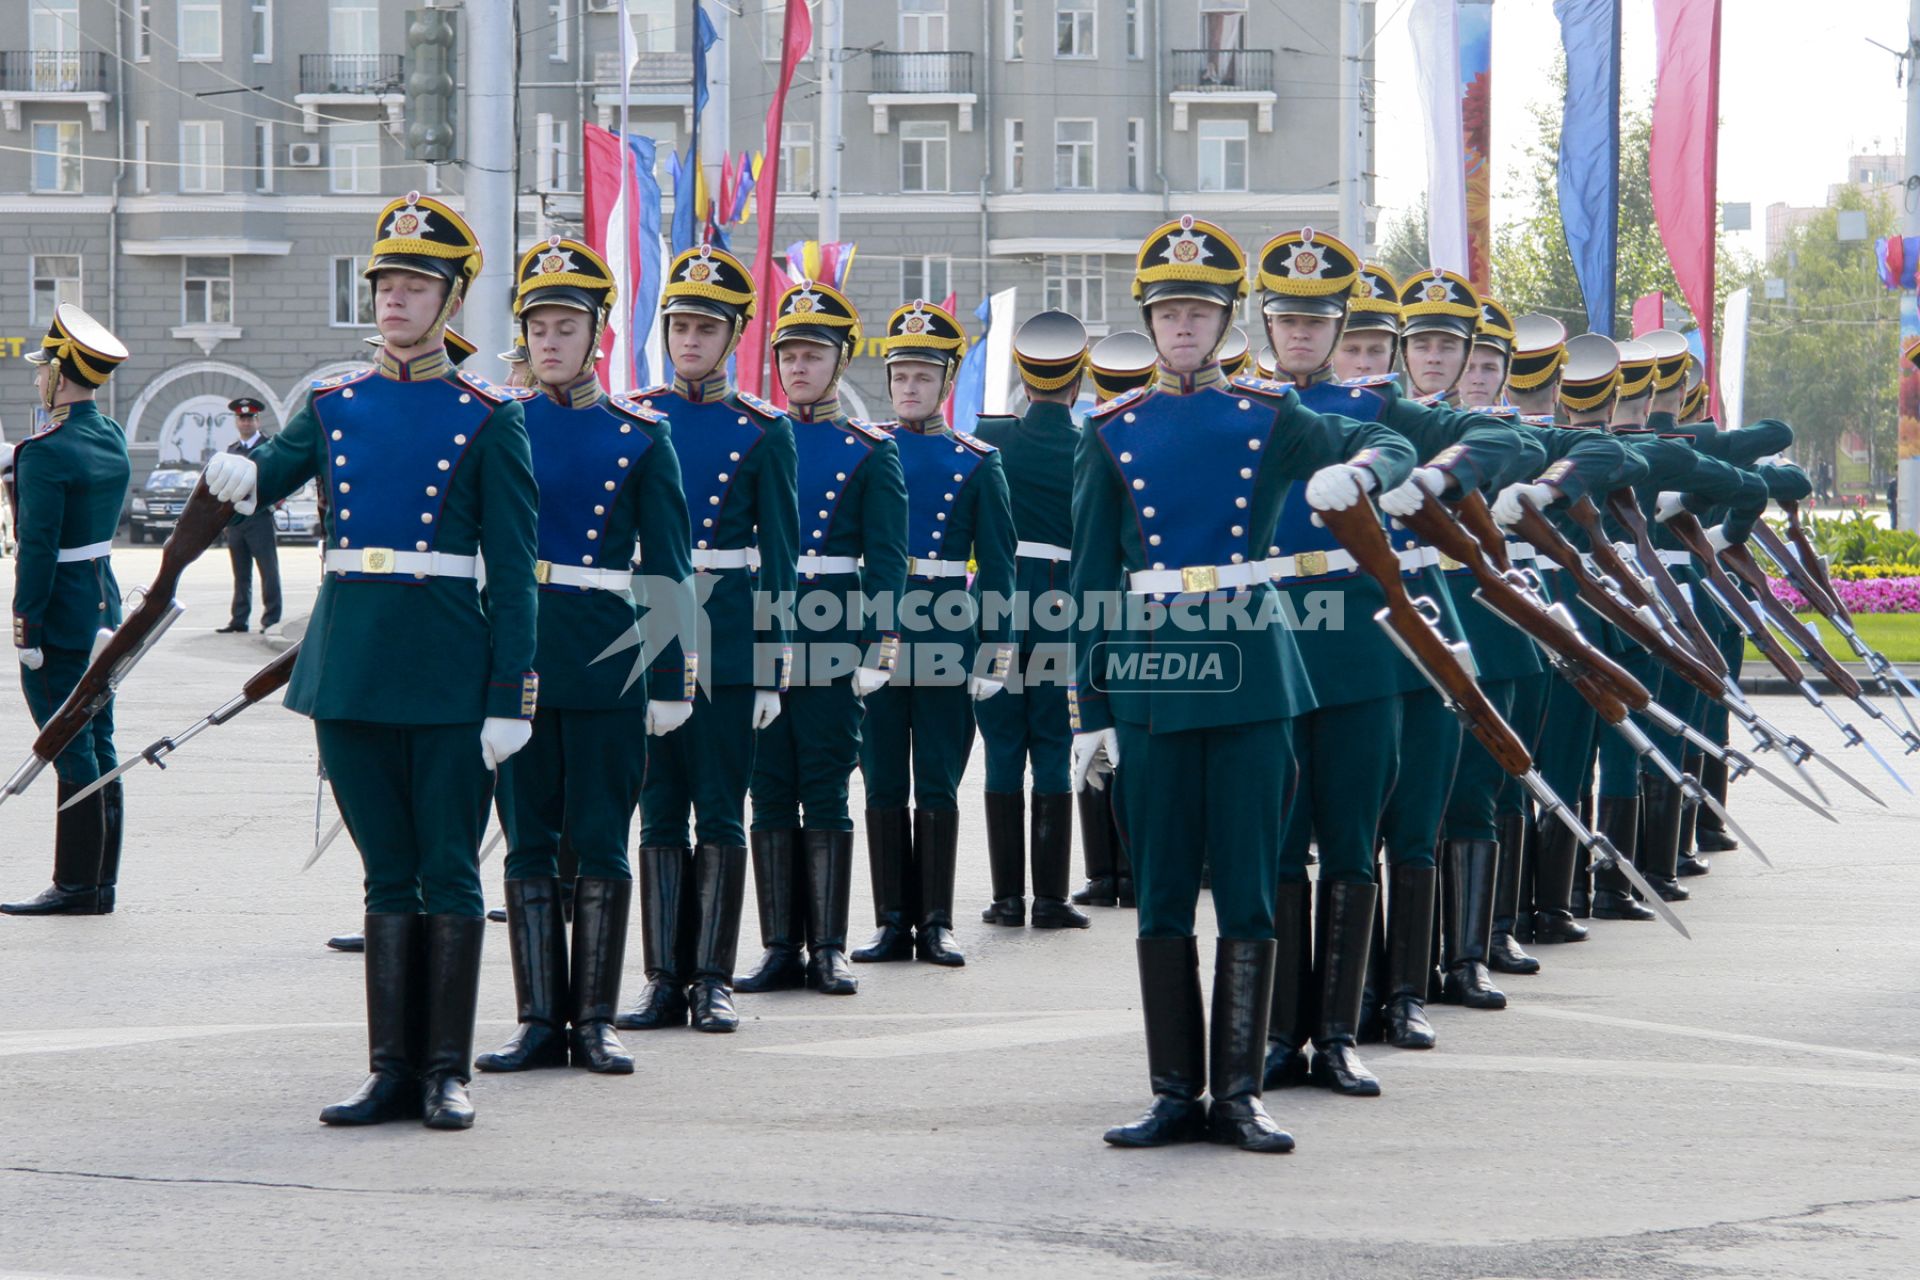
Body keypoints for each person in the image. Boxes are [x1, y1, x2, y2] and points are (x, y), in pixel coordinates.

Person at [1073, 216, 1415, 1154]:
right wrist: (1089, 709)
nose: (1183, 325)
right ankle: (1175, 1092)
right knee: (1164, 893)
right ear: (1148, 320)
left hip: (1254, 672)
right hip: (1152, 676)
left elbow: (1390, 450)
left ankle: (1239, 1091)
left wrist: (1356, 469)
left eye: (1200, 310)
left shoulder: (1272, 417)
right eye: (1169, 310)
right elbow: (1090, 579)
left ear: (1228, 322)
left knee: (1255, 888)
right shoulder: (1112, 429)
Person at [203, 192, 541, 1131]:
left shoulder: (487, 416)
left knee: (448, 869)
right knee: (386, 872)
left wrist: (512, 690)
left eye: (414, 285)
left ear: (452, 301)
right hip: (352, 662)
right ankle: (391, 1069)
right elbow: (269, 473)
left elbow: (513, 574)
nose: (393, 299)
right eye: (385, 282)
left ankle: (446, 1070)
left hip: (445, 664)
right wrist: (236, 474)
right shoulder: (334, 404)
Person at [474, 237, 694, 1078]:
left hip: (607, 653)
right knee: (528, 838)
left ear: (597, 334)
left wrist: (672, 676)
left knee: (601, 839)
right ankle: (538, 1020)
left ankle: (593, 1021)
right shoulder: (501, 424)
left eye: (568, 326)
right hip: (518, 652)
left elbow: (670, 564)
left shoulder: (641, 434)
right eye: (539, 327)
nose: (552, 341)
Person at [614, 244, 798, 1035]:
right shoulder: (637, 418)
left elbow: (783, 556)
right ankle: (663, 977)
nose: (690, 341)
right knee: (658, 805)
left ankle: (713, 978)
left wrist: (772, 665)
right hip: (653, 614)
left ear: (734, 337)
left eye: (706, 328)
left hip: (727, 620)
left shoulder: (763, 429)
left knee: (721, 806)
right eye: (680, 325)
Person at [738, 279, 906, 997]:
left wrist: (879, 645)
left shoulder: (869, 449)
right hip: (764, 620)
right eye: (790, 355)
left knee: (828, 785)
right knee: (769, 787)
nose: (799, 368)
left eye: (814, 355)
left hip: (834, 627)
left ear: (840, 363)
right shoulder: (755, 433)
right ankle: (781, 945)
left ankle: (829, 945)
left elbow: (888, 559)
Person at [851, 300, 1017, 969]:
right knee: (884, 780)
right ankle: (892, 921)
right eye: (901, 375)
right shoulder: (867, 454)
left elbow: (1000, 564)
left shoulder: (976, 460)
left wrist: (997, 649)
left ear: (948, 384)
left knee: (941, 783)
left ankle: (936, 922)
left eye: (924, 375)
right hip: (876, 629)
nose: (911, 387)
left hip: (948, 629)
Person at [1, 304, 131, 917]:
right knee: (98, 739)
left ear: (60, 374)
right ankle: (100, 881)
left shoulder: (45, 450)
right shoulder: (109, 435)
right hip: (102, 601)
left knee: (66, 742)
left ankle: (76, 885)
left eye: (43, 369)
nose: (36, 379)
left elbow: (38, 548)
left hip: (61, 613)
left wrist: (25, 622)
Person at [972, 310, 1093, 933]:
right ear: (1078, 380)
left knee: (1000, 744)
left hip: (996, 601)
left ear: (1023, 376)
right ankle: (1048, 899)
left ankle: (1005, 899)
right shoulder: (1090, 445)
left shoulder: (991, 436)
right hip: (1063, 604)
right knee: (1052, 742)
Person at [215, 398, 283, 635]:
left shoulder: (268, 447)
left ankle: (271, 619)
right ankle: (239, 620)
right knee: (241, 573)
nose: (246, 423)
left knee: (268, 571)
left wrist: (277, 501)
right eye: (242, 419)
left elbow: (279, 478)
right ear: (236, 421)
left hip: (260, 517)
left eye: (250, 418)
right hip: (236, 520)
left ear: (258, 420)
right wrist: (224, 519)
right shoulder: (232, 450)